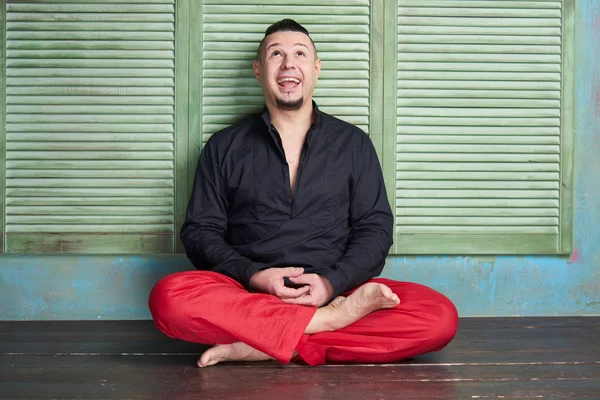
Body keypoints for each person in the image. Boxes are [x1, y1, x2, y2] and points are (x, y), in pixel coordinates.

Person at [149, 19, 458, 368]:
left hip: (337, 291)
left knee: (439, 317)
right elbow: (200, 232)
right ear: (258, 69)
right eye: (275, 54)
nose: (288, 63)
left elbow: (375, 229)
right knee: (169, 299)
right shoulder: (224, 147)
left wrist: (331, 284)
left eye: (300, 53)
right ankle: (322, 327)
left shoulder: (353, 144)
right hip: (248, 294)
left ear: (315, 68)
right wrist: (254, 275)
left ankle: (267, 341)